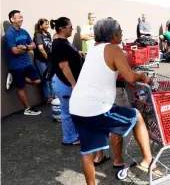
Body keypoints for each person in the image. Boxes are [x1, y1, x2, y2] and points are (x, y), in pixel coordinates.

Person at [69, 19, 161, 185]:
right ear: (113, 35)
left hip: (76, 108)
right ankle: (148, 161)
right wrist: (142, 76)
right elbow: (130, 77)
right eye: (120, 31)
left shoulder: (93, 49)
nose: (122, 33)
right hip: (97, 108)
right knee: (137, 117)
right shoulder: (113, 49)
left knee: (87, 152)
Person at [51, 17, 83, 145]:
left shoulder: (63, 42)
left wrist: (78, 53)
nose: (72, 29)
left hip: (65, 82)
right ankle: (69, 138)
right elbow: (64, 66)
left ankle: (74, 135)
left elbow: (68, 56)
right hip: (64, 83)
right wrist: (73, 84)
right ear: (62, 29)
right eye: (70, 27)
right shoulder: (60, 44)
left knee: (72, 110)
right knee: (67, 112)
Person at [4, 10, 41, 115]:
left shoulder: (24, 31)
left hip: (27, 62)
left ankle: (15, 78)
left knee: (37, 81)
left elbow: (33, 45)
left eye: (21, 17)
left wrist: (25, 47)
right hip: (16, 65)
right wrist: (28, 48)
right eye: (19, 17)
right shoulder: (9, 33)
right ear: (12, 19)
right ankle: (27, 108)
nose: (21, 19)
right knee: (21, 87)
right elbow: (15, 51)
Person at [34, 18, 55, 103]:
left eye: (47, 24)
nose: (47, 26)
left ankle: (53, 95)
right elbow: (41, 49)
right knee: (45, 77)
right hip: (41, 60)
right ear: (40, 25)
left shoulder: (48, 34)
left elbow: (50, 46)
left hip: (49, 59)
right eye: (45, 24)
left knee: (50, 76)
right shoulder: (38, 34)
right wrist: (47, 58)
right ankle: (48, 97)